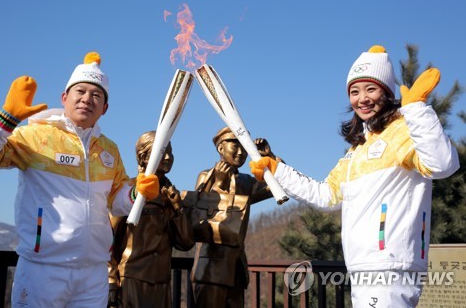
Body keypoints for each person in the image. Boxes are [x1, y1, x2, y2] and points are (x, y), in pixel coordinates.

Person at [249, 45, 460, 307]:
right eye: (354, 91)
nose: (363, 98)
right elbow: (325, 195)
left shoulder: (403, 131)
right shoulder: (357, 150)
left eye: (371, 89)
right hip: (362, 266)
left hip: (390, 265)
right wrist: (277, 169)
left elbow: (443, 164)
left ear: (387, 91)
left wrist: (416, 110)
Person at [0, 52, 159, 308]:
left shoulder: (108, 150)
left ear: (105, 108)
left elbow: (115, 202)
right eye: (80, 91)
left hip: (93, 272)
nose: (87, 99)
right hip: (43, 269)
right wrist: (5, 120)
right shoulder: (36, 136)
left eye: (96, 95)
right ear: (65, 97)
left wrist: (137, 194)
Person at [190, 127, 282, 308]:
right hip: (211, 269)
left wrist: (269, 156)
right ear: (220, 148)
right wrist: (219, 185)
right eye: (235, 146)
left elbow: (278, 186)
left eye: (244, 147)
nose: (241, 152)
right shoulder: (207, 176)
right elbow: (197, 215)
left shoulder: (246, 182)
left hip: (236, 269)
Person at [107, 131, 194, 308]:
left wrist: (178, 208)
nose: (168, 157)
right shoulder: (128, 191)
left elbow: (186, 242)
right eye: (162, 152)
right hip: (132, 279)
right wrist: (110, 281)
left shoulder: (171, 195)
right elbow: (106, 239)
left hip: (161, 281)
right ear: (144, 157)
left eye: (170, 151)